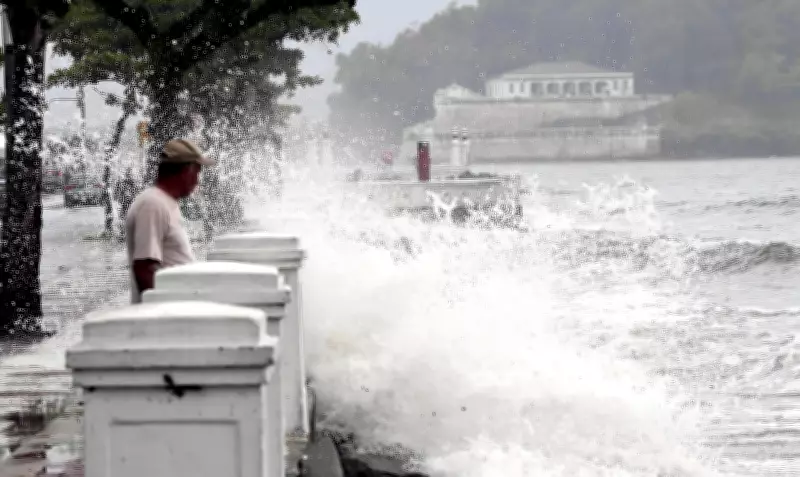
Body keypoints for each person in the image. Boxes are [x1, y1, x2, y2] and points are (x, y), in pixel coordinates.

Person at [125, 138, 215, 303]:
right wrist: (168, 314)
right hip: (168, 318)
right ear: (186, 171)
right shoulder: (152, 204)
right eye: (197, 172)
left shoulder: (165, 203)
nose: (198, 181)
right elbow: (145, 269)